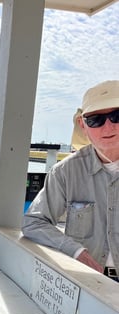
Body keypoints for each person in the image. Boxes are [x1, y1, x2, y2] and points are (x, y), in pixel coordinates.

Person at [22, 80, 119, 281]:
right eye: (95, 119)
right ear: (83, 125)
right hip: (88, 280)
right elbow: (34, 222)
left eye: (116, 116)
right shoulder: (65, 171)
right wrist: (76, 252)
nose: (108, 126)